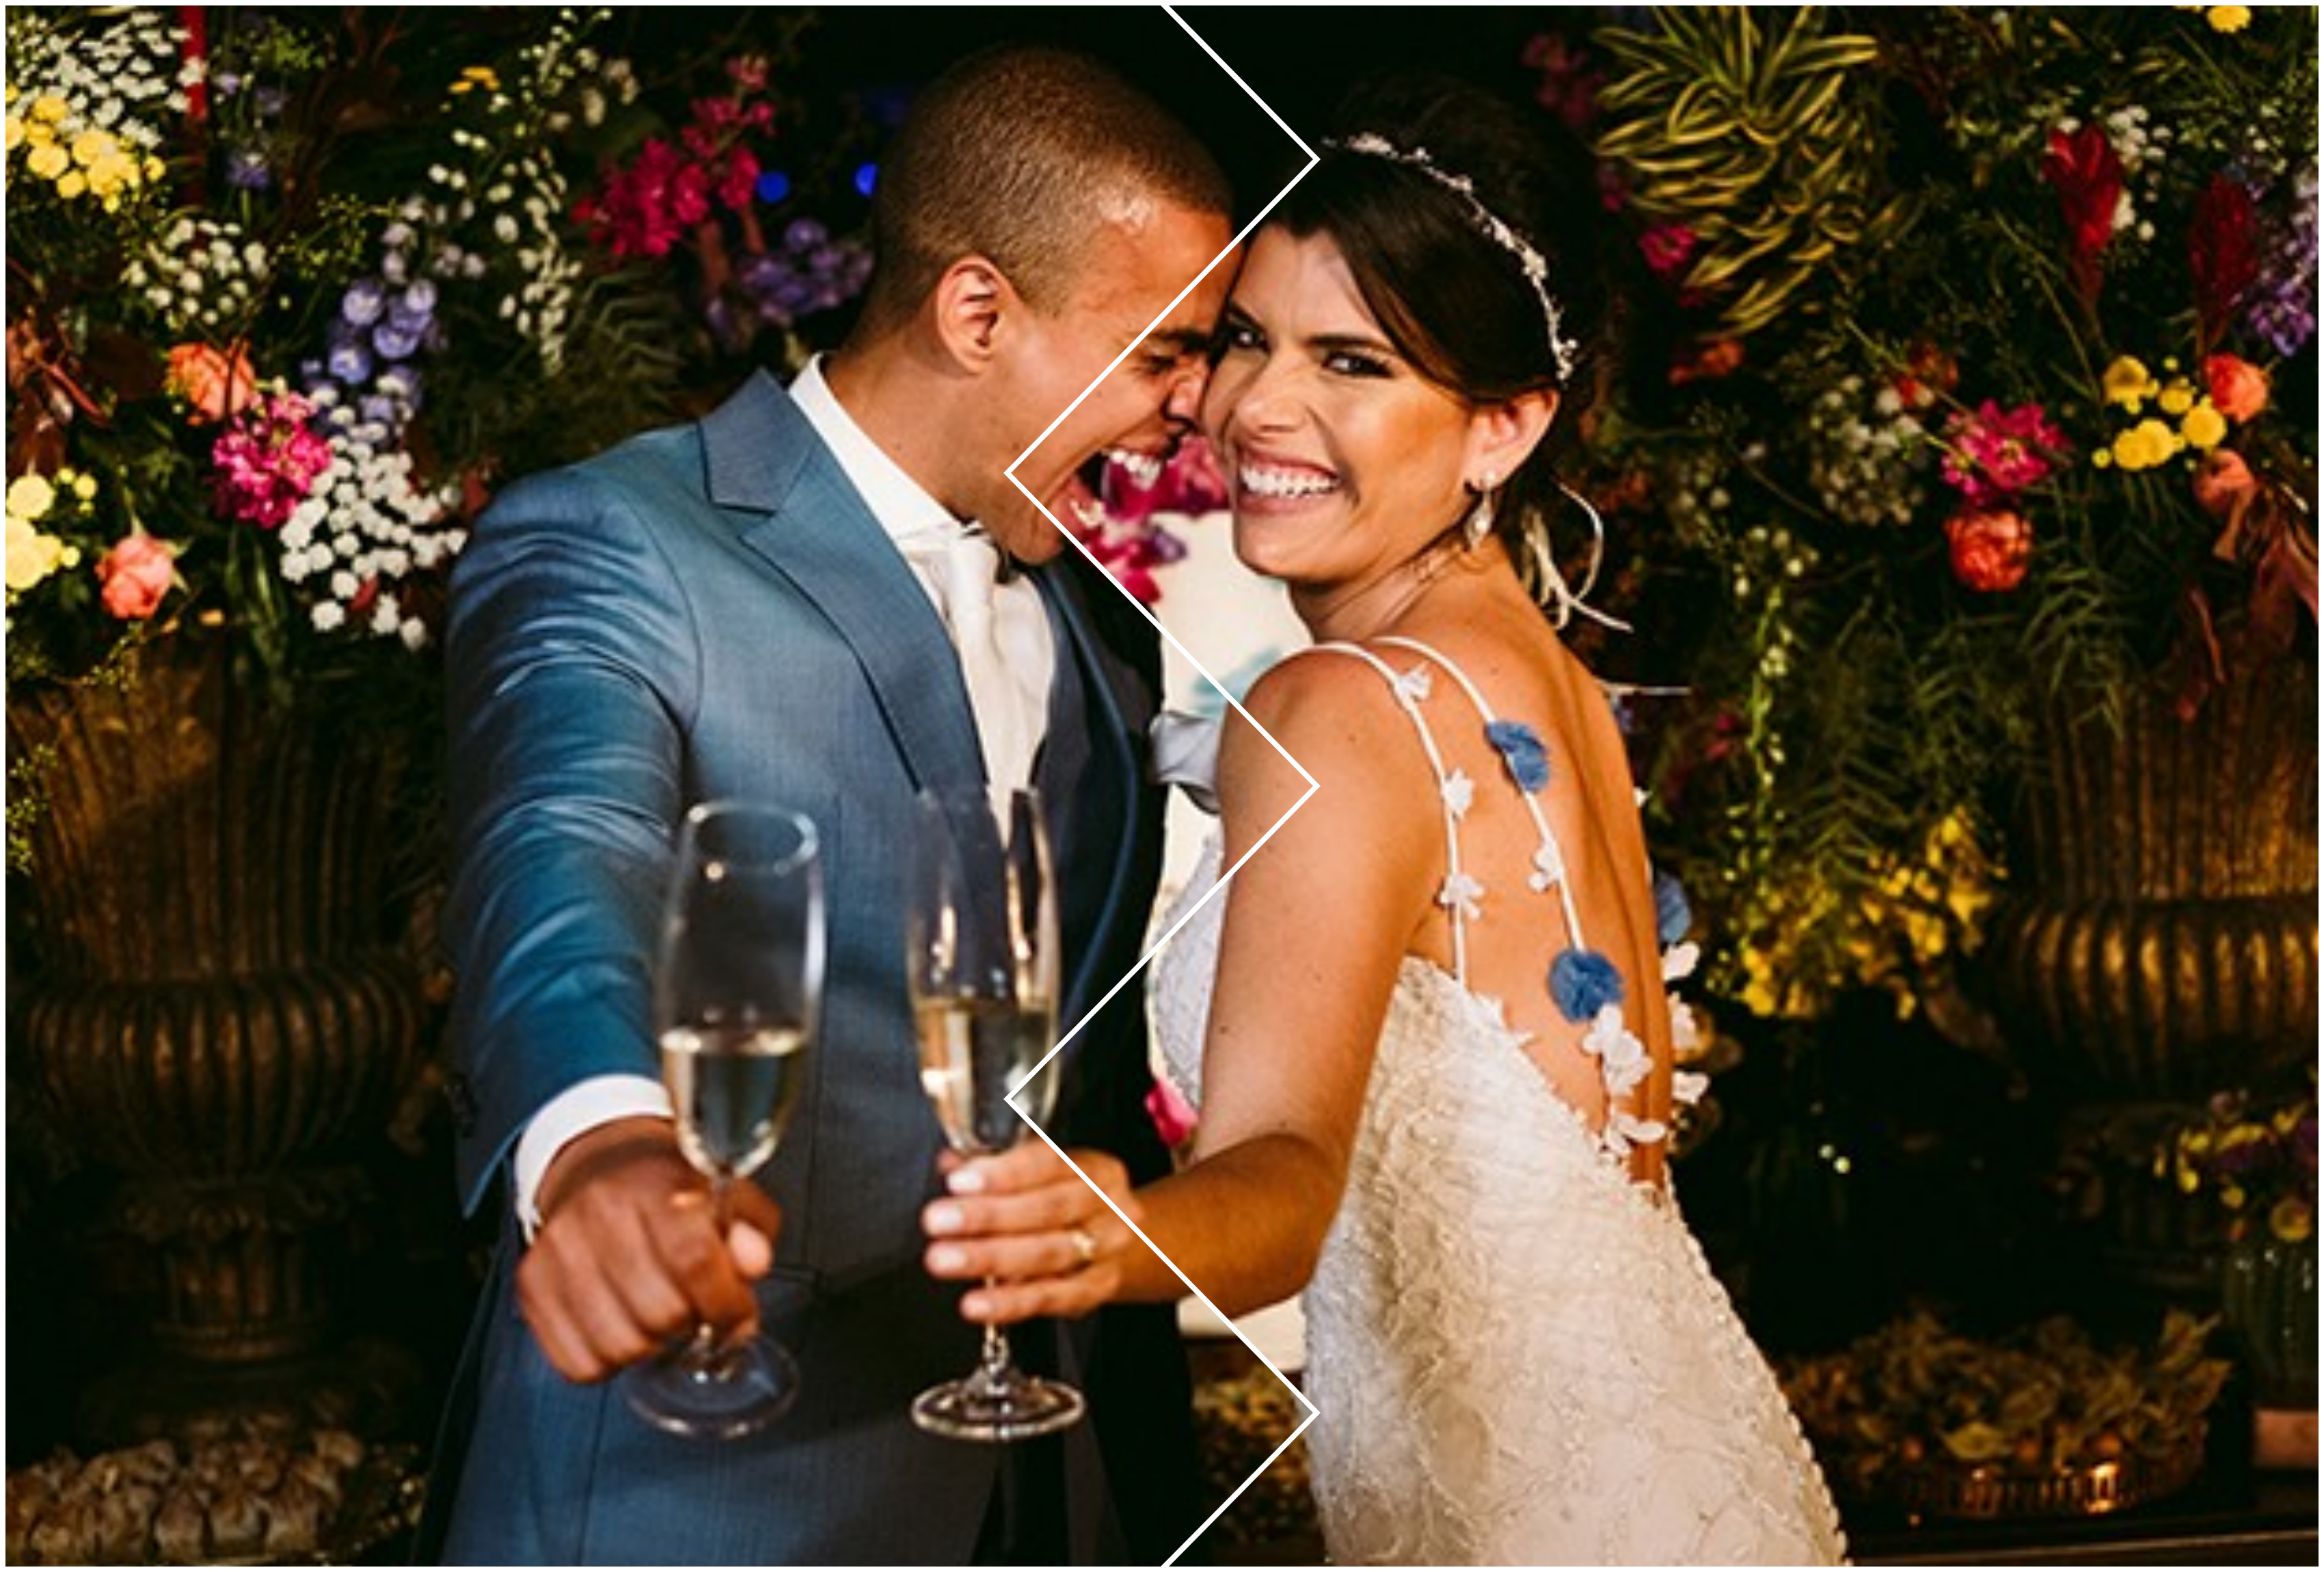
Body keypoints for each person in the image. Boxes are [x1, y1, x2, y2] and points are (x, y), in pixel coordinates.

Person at [921, 77, 1850, 1565]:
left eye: (1350, 361)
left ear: (1502, 424)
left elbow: (1283, 1175)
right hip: (1690, 1483)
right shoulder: (1544, 680)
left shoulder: (1342, 703)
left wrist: (1114, 1228)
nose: (1255, 408)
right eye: (1243, 337)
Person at [422, 45, 1234, 1564]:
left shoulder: (1097, 626)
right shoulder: (618, 539)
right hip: (710, 1485)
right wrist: (600, 1145)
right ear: (978, 310)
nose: (1186, 410)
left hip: (1050, 1481)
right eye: (1160, 354)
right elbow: (559, 847)